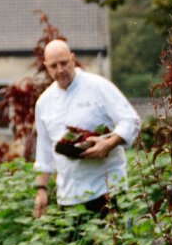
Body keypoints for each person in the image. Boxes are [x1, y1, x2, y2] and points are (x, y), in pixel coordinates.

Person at [32, 39, 141, 220]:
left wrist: (108, 144)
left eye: (64, 63)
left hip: (107, 191)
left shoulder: (98, 87)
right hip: (69, 198)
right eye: (53, 66)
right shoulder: (44, 103)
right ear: (46, 67)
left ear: (73, 59)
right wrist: (41, 190)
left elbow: (131, 121)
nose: (60, 70)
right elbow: (44, 154)